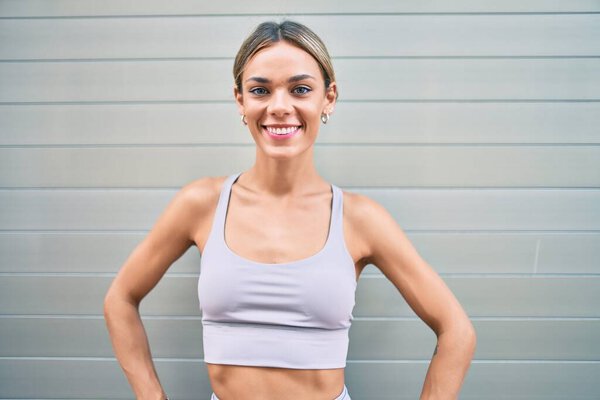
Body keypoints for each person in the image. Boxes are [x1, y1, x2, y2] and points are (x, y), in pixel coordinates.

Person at [103, 20, 476, 400]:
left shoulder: (360, 219)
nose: (279, 107)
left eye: (300, 89)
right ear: (240, 101)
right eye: (260, 90)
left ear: (328, 98)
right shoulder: (201, 204)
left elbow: (457, 330)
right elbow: (120, 298)